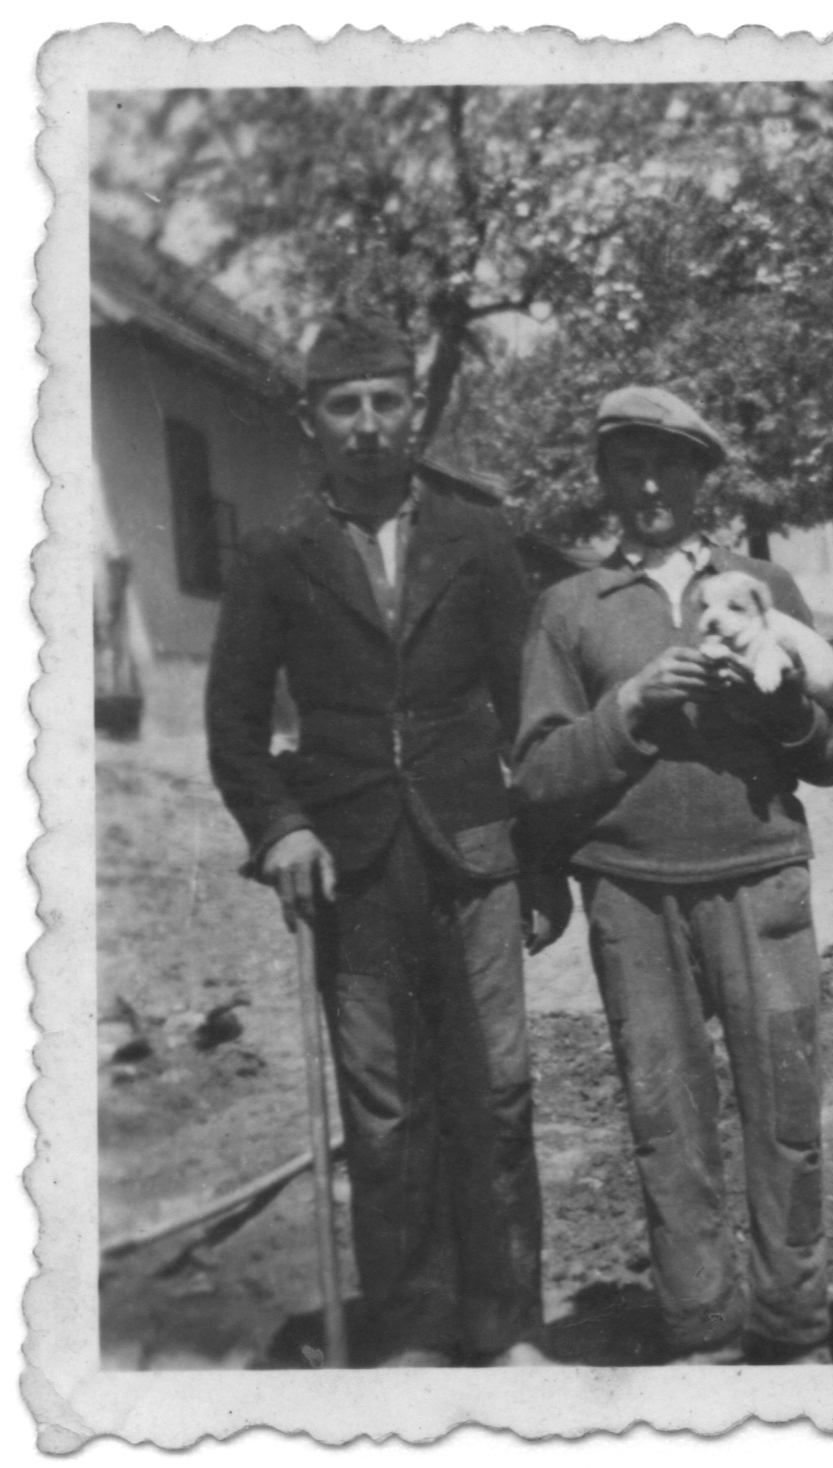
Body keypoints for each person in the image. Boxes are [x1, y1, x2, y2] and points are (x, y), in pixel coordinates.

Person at [205, 316, 557, 1367]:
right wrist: (281, 827)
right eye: (343, 404)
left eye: (384, 401)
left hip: (476, 850)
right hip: (349, 865)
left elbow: (528, 711)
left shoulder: (481, 537)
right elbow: (232, 727)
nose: (366, 424)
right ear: (310, 420)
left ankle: (504, 1323)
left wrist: (540, 860)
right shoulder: (275, 554)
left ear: (414, 410)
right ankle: (412, 1328)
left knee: (495, 1089)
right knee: (385, 1103)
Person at [512, 385, 833, 1366]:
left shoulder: (763, 585)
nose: (651, 484)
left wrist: (781, 704)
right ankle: (701, 1333)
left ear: (704, 476)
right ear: (603, 477)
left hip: (760, 877)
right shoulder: (570, 607)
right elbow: (537, 776)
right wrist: (630, 706)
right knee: (667, 1120)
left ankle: (795, 1331)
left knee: (784, 1115)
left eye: (671, 463)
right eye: (629, 464)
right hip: (629, 889)